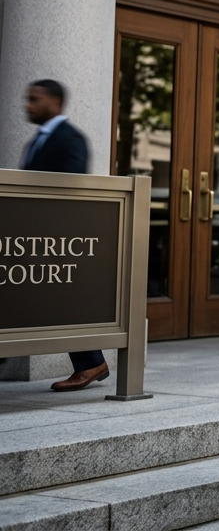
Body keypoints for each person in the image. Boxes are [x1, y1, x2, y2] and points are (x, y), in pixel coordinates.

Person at [20, 80, 110, 392]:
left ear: (55, 103)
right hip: (30, 238)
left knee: (61, 301)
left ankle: (91, 363)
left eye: (35, 99)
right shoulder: (39, 139)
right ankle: (91, 363)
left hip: (56, 239)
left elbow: (71, 191)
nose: (28, 105)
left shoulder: (71, 139)